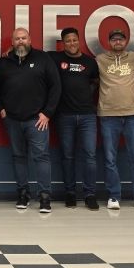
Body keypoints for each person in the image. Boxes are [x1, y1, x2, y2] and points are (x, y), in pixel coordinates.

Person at [0, 28, 61, 214]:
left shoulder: (43, 59)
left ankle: (45, 196)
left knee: (41, 157)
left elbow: (56, 86)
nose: (20, 41)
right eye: (17, 39)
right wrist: (1, 109)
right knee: (18, 157)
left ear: (30, 39)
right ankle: (23, 193)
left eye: (23, 38)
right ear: (12, 42)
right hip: (13, 120)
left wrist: (47, 113)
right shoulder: (5, 62)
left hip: (37, 120)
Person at [96, 29, 134, 211]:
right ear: (109, 42)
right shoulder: (99, 60)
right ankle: (114, 196)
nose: (118, 42)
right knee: (110, 158)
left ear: (126, 41)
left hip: (131, 114)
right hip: (108, 115)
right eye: (114, 39)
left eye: (120, 39)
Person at [49, 27, 100, 210]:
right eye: (68, 41)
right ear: (63, 43)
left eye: (74, 40)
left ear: (79, 41)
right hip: (64, 116)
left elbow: (95, 83)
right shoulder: (55, 59)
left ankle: (90, 194)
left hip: (87, 115)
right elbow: (33, 55)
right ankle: (70, 192)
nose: (71, 43)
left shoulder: (90, 62)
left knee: (90, 156)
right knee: (67, 156)